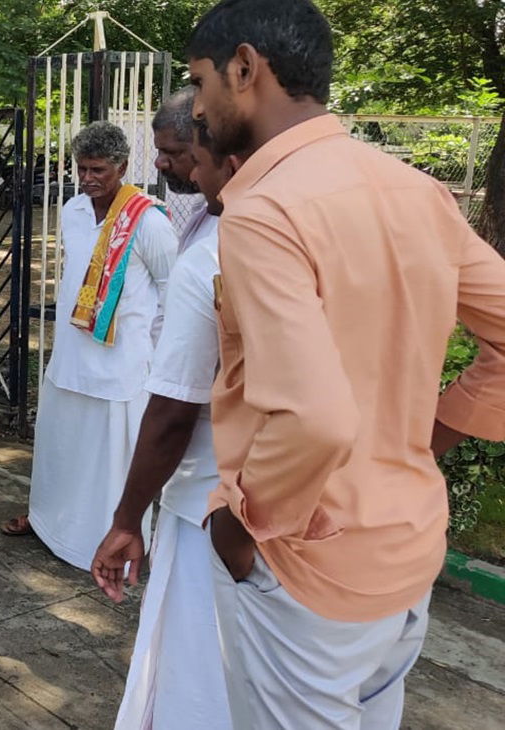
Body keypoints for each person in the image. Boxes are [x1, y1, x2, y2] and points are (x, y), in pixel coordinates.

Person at [188, 1, 505, 727]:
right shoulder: (417, 191)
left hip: (304, 572)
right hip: (408, 545)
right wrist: (428, 440)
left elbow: (316, 415)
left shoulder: (265, 210)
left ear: (244, 68)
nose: (199, 110)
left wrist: (244, 525)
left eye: (200, 81)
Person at [90, 120, 236, 730]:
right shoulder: (214, 221)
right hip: (246, 496)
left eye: (183, 154)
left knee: (198, 657)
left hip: (218, 499)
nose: (178, 169)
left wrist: (127, 520)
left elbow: (175, 410)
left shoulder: (219, 247)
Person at [1, 122, 178, 571]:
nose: (88, 178)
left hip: (121, 364)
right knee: (62, 450)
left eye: (98, 169)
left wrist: (153, 352)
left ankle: (103, 542)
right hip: (71, 356)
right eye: (82, 168)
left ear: (122, 167)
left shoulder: (149, 221)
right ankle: (48, 523)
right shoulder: (74, 211)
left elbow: (173, 291)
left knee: (110, 464)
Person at [153, 88, 215, 251]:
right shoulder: (204, 208)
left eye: (172, 152)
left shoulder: (244, 220)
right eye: (159, 151)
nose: (159, 163)